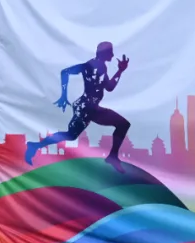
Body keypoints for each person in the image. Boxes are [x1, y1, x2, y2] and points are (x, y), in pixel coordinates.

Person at [25, 42, 131, 173]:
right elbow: (65, 72)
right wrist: (63, 96)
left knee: (72, 134)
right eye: (110, 52)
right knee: (73, 134)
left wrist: (120, 70)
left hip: (90, 108)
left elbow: (109, 87)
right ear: (104, 53)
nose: (113, 55)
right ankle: (35, 146)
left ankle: (113, 157)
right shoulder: (90, 65)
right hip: (86, 108)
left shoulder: (101, 66)